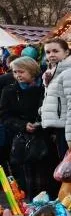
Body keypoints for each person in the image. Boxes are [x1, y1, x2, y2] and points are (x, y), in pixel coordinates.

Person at [0, 57, 52, 198]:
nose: (18, 75)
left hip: (43, 138)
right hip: (21, 141)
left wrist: (40, 124)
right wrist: (22, 125)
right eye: (15, 72)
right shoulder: (9, 91)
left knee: (44, 179)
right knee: (25, 181)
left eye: (21, 72)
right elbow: (4, 116)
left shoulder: (45, 88)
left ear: (32, 70)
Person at [40, 38, 71, 160]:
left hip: (68, 129)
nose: (51, 55)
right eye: (48, 52)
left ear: (66, 52)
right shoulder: (53, 73)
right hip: (59, 127)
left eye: (55, 51)